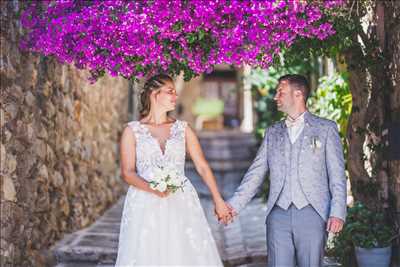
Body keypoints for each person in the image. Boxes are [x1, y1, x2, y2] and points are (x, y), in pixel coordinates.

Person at [226, 74, 347, 267]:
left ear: (298, 94)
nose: (275, 97)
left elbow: (337, 176)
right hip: (278, 215)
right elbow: (255, 173)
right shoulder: (273, 132)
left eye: (280, 92)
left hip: (313, 214)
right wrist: (233, 206)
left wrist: (338, 212)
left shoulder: (326, 129)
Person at [115, 74, 231, 266]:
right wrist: (154, 189)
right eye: (170, 92)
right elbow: (127, 172)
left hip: (181, 199)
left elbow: (202, 166)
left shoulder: (183, 129)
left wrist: (218, 200)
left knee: (183, 252)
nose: (175, 97)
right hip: (144, 203)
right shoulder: (132, 131)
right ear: (154, 94)